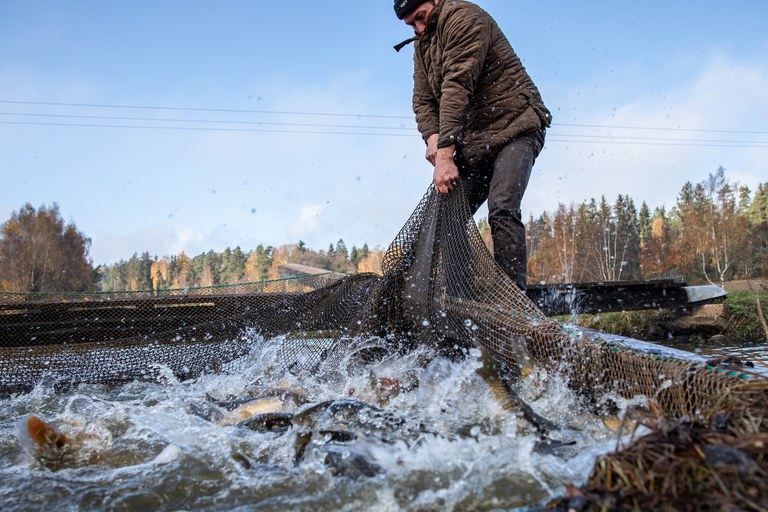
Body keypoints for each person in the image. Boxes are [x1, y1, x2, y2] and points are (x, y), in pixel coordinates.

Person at [394, 0, 551, 292]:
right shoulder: (422, 44)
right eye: (411, 25)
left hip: (516, 127)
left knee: (502, 207)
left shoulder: (464, 17)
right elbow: (423, 100)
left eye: (421, 17)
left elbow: (457, 85)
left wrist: (444, 156)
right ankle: (459, 300)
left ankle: (513, 300)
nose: (419, 28)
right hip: (477, 145)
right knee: (445, 218)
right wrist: (431, 137)